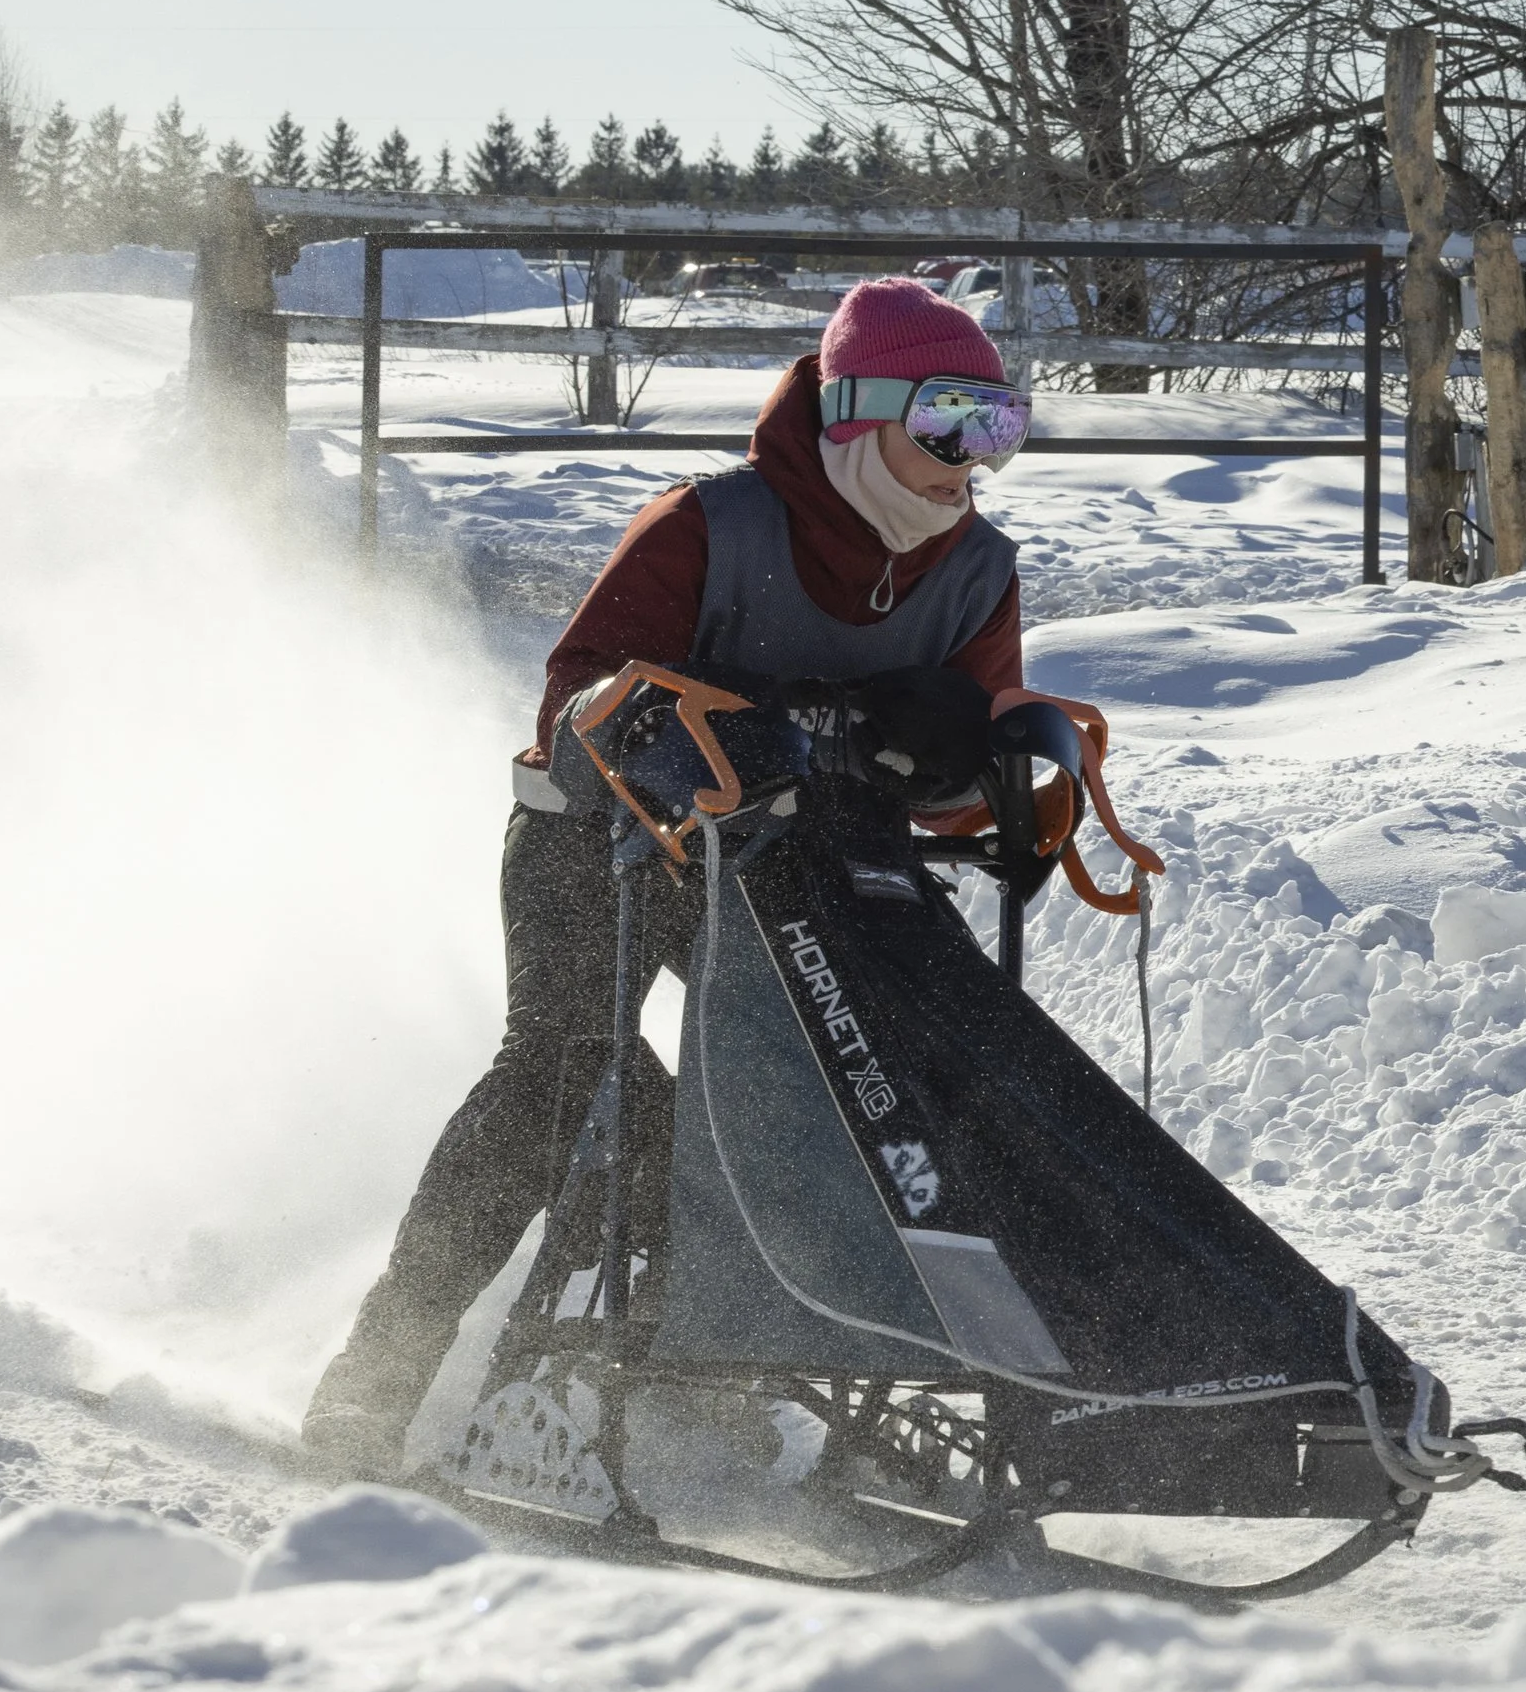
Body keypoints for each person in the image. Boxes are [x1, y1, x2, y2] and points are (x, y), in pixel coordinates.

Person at [301, 274, 1033, 1474]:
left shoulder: (974, 571)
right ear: (860, 414)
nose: (979, 457)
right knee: (559, 1068)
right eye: (953, 420)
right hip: (596, 840)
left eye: (1001, 424)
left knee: (886, 1083)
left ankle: (790, 1358)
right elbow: (569, 700)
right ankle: (374, 1378)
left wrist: (962, 762)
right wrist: (715, 735)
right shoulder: (710, 525)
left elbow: (960, 783)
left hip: (796, 863)